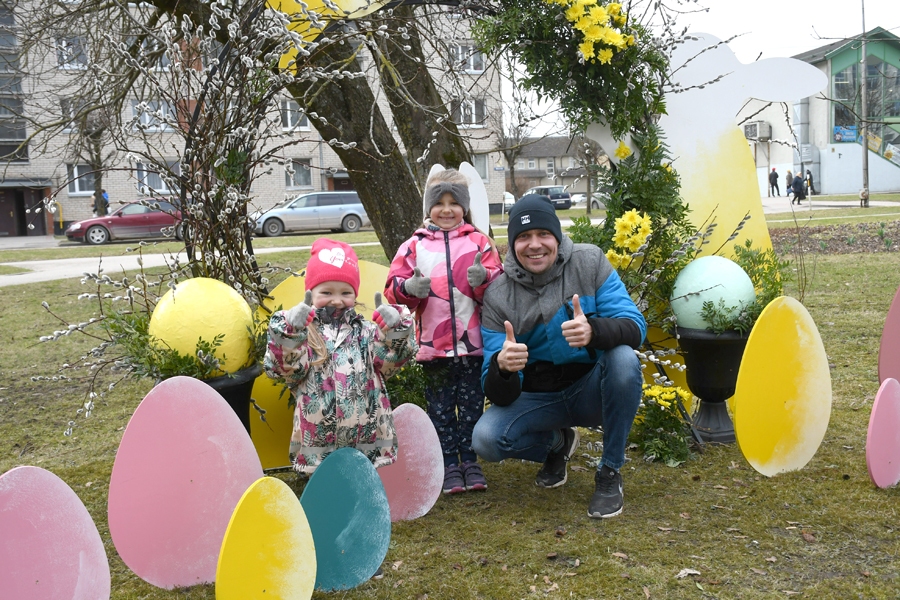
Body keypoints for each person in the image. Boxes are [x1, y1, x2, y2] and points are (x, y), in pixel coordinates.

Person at [472, 195, 646, 519]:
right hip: (538, 400)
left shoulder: (590, 262)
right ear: (512, 244)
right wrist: (502, 368)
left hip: (591, 390)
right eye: (523, 237)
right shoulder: (497, 295)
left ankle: (610, 471)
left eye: (543, 234)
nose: (534, 245)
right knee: (485, 440)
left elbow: (635, 326)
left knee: (624, 360)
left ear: (557, 236)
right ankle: (556, 442)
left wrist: (594, 330)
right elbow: (494, 388)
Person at [385, 168, 503, 495]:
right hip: (432, 348)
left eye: (454, 202)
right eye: (440, 203)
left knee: (470, 407)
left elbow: (500, 287)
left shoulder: (479, 242)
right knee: (439, 408)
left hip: (472, 346)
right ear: (428, 208)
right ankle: (449, 462)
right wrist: (409, 287)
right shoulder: (414, 246)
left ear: (465, 207)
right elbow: (393, 289)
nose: (447, 209)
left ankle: (470, 459)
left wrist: (485, 281)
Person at [264, 237, 417, 474]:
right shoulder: (305, 335)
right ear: (311, 293)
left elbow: (391, 361)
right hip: (318, 445)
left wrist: (395, 329)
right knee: (325, 498)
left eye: (346, 292)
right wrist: (291, 332)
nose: (337, 300)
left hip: (365, 443)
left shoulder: (366, 332)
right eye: (326, 292)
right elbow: (281, 368)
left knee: (361, 493)